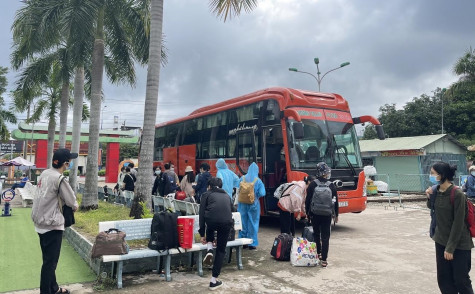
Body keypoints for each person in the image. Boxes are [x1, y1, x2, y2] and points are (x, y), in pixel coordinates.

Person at [31, 148, 78, 294]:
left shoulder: (45, 173)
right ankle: (46, 291)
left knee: (48, 260)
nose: (70, 164)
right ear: (65, 163)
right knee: (50, 264)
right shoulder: (59, 179)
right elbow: (71, 201)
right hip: (52, 225)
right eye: (69, 161)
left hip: (40, 224)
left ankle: (54, 288)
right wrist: (75, 206)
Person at [425, 162, 474, 293]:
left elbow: (458, 223)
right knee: (444, 279)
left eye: (432, 173)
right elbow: (432, 207)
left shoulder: (457, 194)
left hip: (459, 243)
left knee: (461, 280)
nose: (430, 175)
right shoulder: (436, 190)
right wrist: (429, 196)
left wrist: (450, 248)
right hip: (441, 240)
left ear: (442, 175)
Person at [199, 177, 234, 291]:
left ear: (209, 186)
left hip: (212, 222)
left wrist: (202, 234)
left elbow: (202, 215)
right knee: (221, 250)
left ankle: (209, 249)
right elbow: (232, 209)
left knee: (210, 224)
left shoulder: (206, 195)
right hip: (226, 223)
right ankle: (213, 280)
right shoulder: (227, 196)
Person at [305, 162, 339, 268]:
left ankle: (318, 253)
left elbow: (308, 200)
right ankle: (324, 260)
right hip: (327, 214)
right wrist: (336, 215)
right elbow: (335, 201)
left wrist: (308, 213)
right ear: (326, 173)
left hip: (315, 214)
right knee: (325, 237)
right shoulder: (331, 185)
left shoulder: (313, 184)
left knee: (316, 234)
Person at [237, 162, 266, 250]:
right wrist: (255, 195)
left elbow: (237, 187)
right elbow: (262, 193)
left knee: (242, 222)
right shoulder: (258, 180)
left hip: (242, 204)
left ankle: (243, 242)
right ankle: (252, 243)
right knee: (253, 223)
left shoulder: (242, 178)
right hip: (253, 204)